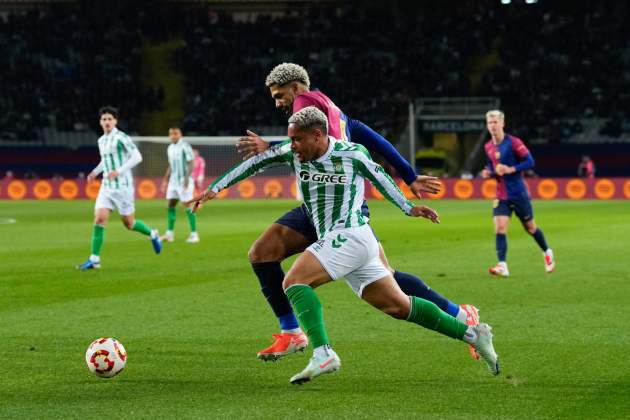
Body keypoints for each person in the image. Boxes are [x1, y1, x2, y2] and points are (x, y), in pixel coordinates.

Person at [189, 107, 500, 384]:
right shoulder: (292, 152)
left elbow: (380, 177)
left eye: (297, 140)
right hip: (347, 242)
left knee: (295, 281)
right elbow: (256, 163)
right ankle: (473, 334)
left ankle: (322, 353)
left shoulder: (351, 154)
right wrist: (215, 189)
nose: (292, 146)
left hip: (350, 234)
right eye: (290, 140)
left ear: (318, 135)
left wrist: (408, 208)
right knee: (398, 306)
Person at [236, 63, 481, 361]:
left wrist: (269, 146)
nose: (278, 103)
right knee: (383, 275)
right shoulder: (331, 106)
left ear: (297, 88)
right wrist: (408, 174)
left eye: (279, 95)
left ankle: (294, 334)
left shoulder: (305, 103)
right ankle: (460, 313)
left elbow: (312, 140)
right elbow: (368, 134)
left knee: (265, 255)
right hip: (327, 203)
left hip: (336, 206)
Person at [77, 106, 162, 270]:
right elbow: (106, 161)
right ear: (100, 122)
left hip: (123, 188)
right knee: (99, 219)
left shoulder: (121, 137)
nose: (107, 122)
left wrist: (119, 171)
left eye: (110, 119)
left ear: (115, 121)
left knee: (129, 224)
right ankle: (94, 259)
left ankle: (152, 233)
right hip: (106, 187)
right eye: (104, 119)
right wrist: (95, 172)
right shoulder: (101, 140)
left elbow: (138, 156)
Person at [482, 110, 554, 277]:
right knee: (500, 227)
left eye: (495, 122)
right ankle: (502, 265)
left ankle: (547, 251)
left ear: (502, 123)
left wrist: (511, 169)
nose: (492, 125)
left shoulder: (513, 142)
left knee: (530, 228)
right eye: (490, 123)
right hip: (501, 195)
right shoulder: (488, 146)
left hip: (519, 194)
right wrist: (489, 172)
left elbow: (530, 161)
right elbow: (492, 166)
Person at [160, 127, 199, 244]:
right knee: (170, 205)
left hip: (184, 180)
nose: (173, 136)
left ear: (180, 134)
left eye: (175, 133)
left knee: (188, 205)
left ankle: (194, 234)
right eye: (171, 133)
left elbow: (191, 162)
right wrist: (165, 180)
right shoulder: (170, 148)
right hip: (173, 181)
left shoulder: (185, 146)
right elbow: (171, 166)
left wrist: (187, 178)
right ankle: (169, 234)